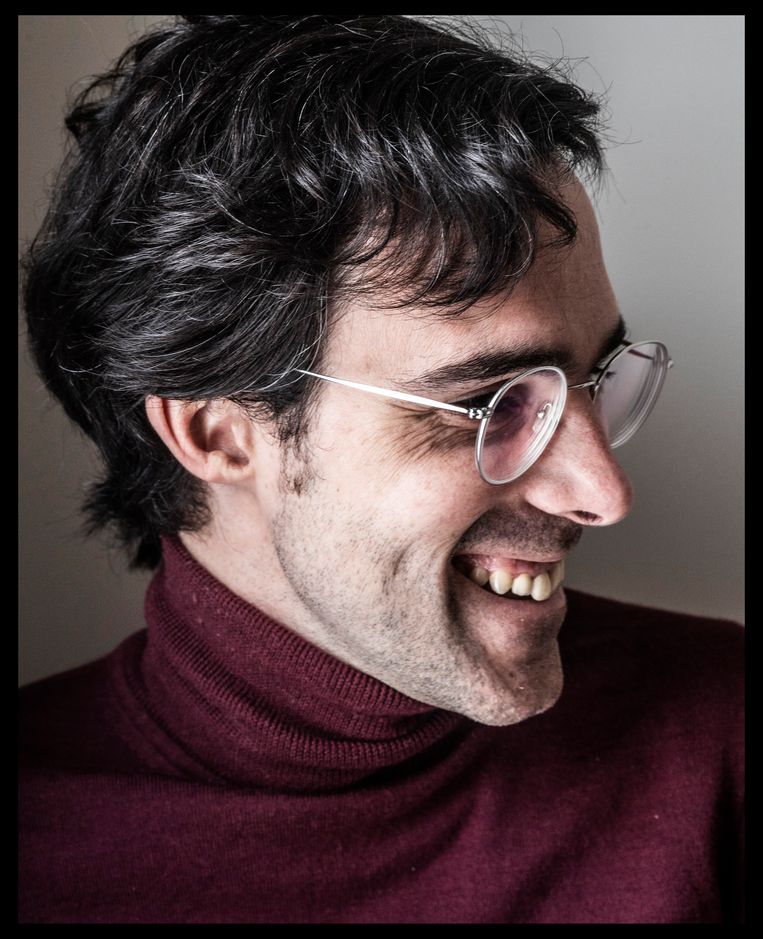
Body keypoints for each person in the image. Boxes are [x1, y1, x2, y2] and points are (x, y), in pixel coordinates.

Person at [19, 15, 743, 925]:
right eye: (493, 403)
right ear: (218, 434)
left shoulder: (721, 738)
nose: (603, 492)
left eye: (595, 380)